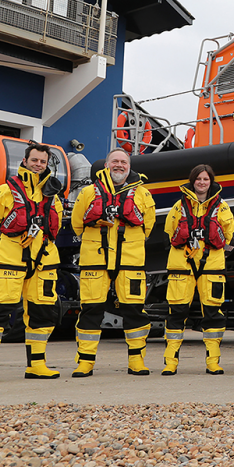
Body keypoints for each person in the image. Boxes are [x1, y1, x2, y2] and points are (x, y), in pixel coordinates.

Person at [0, 143, 65, 383]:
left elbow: (55, 228)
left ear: (47, 164)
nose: (38, 165)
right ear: (25, 161)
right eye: (34, 160)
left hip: (44, 263)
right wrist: (7, 249)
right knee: (0, 311)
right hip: (11, 260)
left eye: (43, 162)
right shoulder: (4, 191)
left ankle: (37, 365)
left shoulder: (52, 195)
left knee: (42, 313)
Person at [70, 148, 157, 377]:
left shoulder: (142, 194)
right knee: (90, 310)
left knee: (135, 310)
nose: (119, 165)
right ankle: (85, 362)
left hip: (130, 261)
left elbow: (148, 226)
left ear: (129, 166)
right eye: (115, 161)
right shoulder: (89, 191)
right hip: (95, 260)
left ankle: (137, 361)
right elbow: (77, 223)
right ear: (107, 165)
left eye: (123, 162)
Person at [162, 164, 234, 375]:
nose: (201, 182)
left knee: (213, 313)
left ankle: (213, 362)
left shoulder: (223, 208)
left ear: (211, 182)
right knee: (176, 312)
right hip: (181, 265)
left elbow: (230, 239)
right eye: (198, 179)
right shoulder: (178, 206)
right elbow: (168, 236)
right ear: (192, 181)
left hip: (211, 265)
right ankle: (170, 362)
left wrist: (213, 255)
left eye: (205, 179)